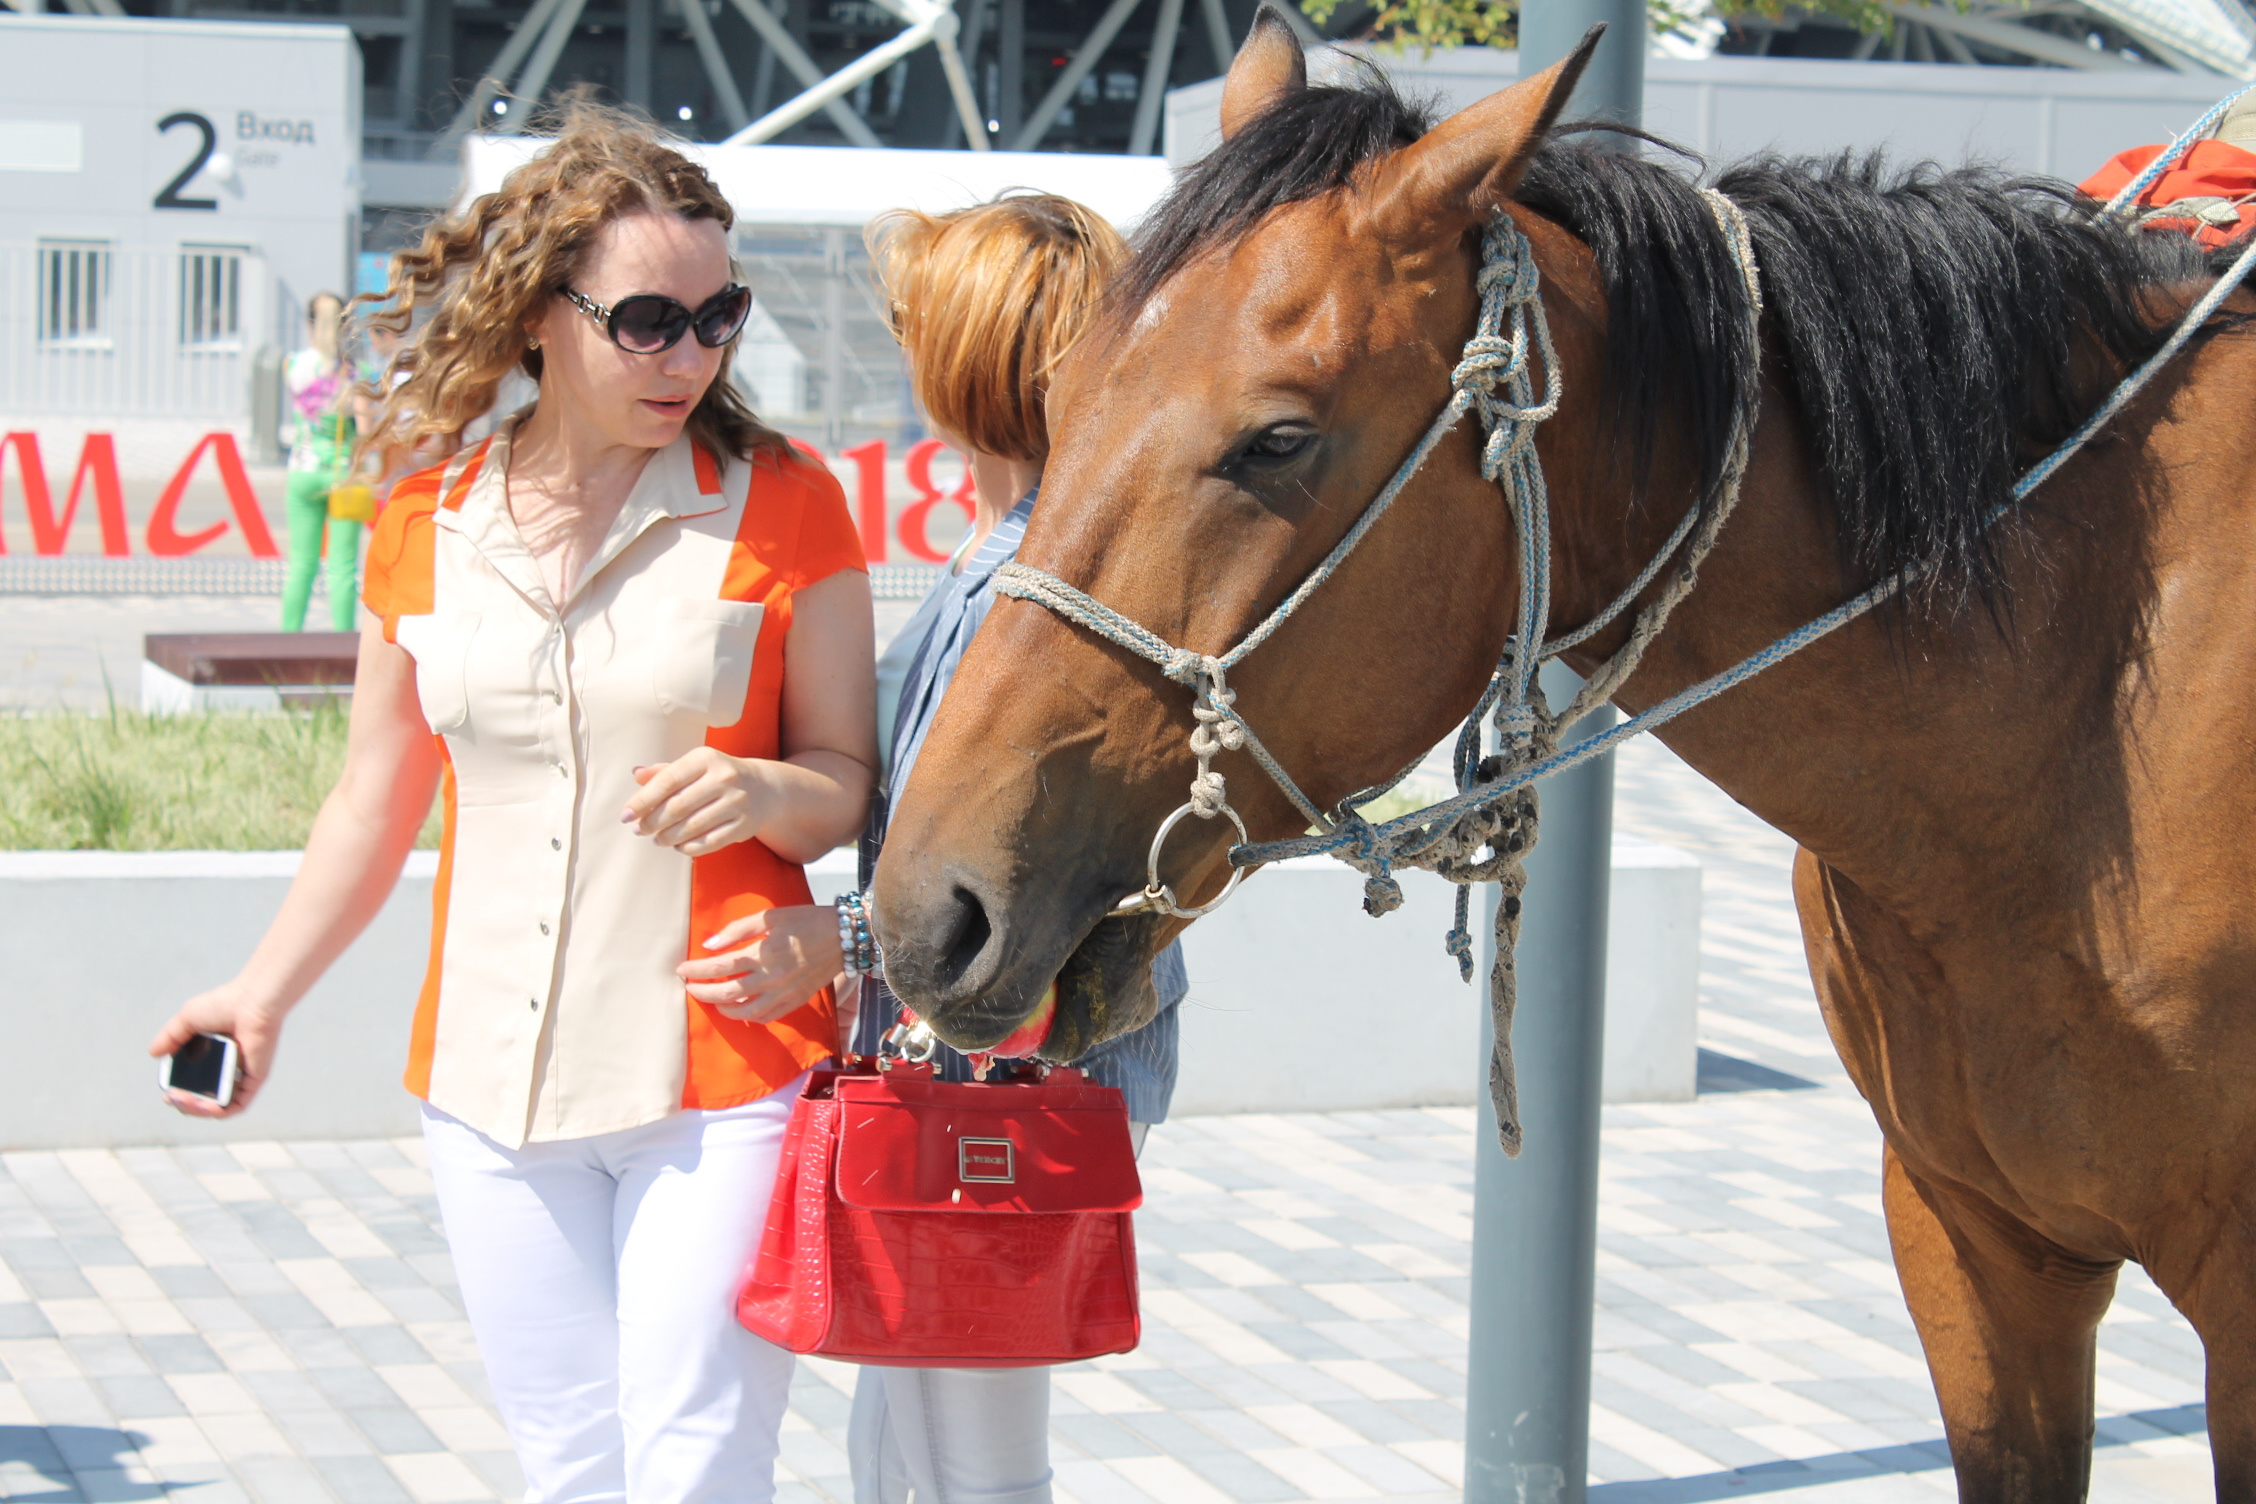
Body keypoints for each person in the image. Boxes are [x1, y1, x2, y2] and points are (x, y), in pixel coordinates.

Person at [148, 100, 876, 1504]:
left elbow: (845, 783)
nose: (693, 354)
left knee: (697, 1462)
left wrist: (766, 784)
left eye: (719, 315)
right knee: (567, 1468)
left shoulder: (787, 501)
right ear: (542, 312)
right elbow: (375, 795)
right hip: (485, 1084)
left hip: (725, 1068)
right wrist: (261, 993)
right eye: (648, 320)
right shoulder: (426, 520)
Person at [728, 191, 1186, 1504]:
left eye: (916, 326)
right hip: (999, 1072)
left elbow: (1027, 855)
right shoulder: (1039, 557)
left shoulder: (1022, 585)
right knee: (911, 1439)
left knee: (971, 1463)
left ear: (967, 363)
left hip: (999, 1078)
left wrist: (843, 936)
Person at [281, 291, 362, 632]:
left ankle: (288, 638)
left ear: (309, 324)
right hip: (343, 473)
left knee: (301, 562)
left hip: (302, 469)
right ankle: (343, 640)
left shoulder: (292, 364)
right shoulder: (353, 371)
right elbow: (367, 427)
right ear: (345, 325)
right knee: (342, 566)